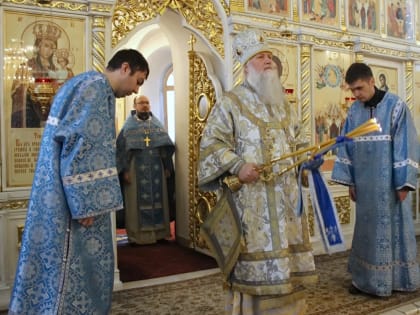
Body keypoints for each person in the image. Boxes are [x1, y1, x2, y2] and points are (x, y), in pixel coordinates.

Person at [8, 49, 150, 315]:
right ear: (126, 68)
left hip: (58, 189)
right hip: (74, 202)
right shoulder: (96, 88)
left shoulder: (82, 82)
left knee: (53, 266)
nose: (135, 90)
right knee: (73, 267)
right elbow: (83, 145)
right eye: (138, 81)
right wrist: (86, 203)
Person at [198, 29, 317, 314]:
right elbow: (211, 143)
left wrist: (307, 157)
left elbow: (299, 139)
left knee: (288, 261)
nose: (268, 61)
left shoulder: (283, 105)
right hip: (253, 201)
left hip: (287, 201)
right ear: (247, 65)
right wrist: (238, 167)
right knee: (255, 264)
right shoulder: (231, 102)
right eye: (261, 57)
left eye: (270, 58)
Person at [331, 62, 420, 297]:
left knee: (395, 231)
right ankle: (364, 280)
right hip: (365, 188)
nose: (356, 95)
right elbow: (346, 145)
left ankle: (397, 279)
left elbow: (407, 145)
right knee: (366, 233)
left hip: (390, 187)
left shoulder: (396, 107)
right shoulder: (354, 112)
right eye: (352, 90)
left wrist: (403, 182)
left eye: (359, 88)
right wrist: (350, 181)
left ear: (371, 81)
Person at [116, 95, 175, 244]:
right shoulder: (128, 127)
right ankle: (138, 237)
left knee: (159, 199)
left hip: (157, 167)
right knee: (135, 202)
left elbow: (165, 147)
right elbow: (122, 151)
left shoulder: (156, 125)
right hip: (135, 169)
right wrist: (125, 170)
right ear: (135, 106)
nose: (145, 105)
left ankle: (160, 233)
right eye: (141, 103)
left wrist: (167, 166)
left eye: (147, 103)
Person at [11, 22, 61, 128]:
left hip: (53, 117)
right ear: (38, 46)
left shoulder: (57, 70)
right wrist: (28, 88)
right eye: (46, 46)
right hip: (31, 116)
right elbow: (16, 93)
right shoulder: (25, 67)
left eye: (52, 48)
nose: (49, 50)